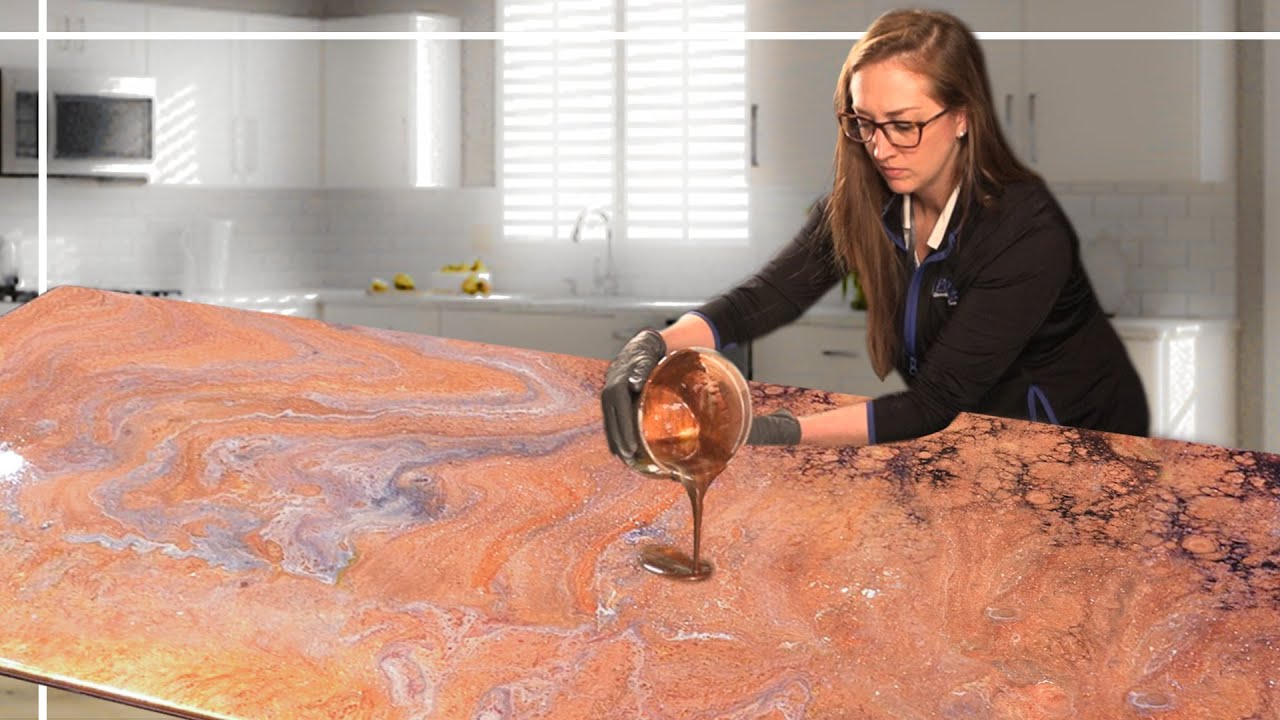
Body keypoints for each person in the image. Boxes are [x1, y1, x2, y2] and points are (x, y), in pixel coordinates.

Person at [601, 7, 1148, 460]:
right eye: (864, 123)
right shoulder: (872, 200)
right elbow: (766, 297)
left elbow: (933, 402)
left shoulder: (1025, 231)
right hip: (981, 440)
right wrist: (654, 344)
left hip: (1087, 444)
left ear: (962, 117)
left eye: (904, 125)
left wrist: (765, 431)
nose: (880, 149)